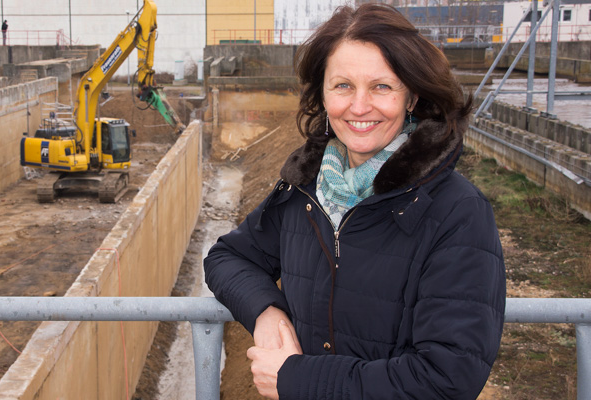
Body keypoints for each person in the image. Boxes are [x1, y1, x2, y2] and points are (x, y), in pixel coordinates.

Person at [203, 4, 505, 399]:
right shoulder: (305, 190)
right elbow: (227, 257)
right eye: (343, 85)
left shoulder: (457, 212)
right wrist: (266, 312)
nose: (359, 107)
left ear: (411, 96)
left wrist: (298, 379)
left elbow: (447, 377)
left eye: (381, 86)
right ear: (323, 94)